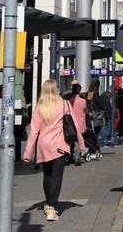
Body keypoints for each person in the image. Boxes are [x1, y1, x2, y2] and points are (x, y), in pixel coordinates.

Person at [23, 79, 85, 220]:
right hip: (59, 144)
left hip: (44, 145)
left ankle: (48, 202)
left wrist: (27, 152)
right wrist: (81, 144)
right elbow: (74, 124)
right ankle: (51, 207)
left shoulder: (40, 106)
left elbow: (34, 131)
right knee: (57, 177)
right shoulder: (64, 104)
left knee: (47, 175)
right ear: (56, 90)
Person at [67, 82, 89, 162]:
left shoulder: (69, 101)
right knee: (77, 141)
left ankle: (69, 155)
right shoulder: (83, 101)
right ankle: (77, 157)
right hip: (80, 123)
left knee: (70, 140)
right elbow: (86, 111)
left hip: (71, 123)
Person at [87, 79, 109, 155]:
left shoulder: (87, 95)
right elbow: (103, 106)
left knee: (90, 134)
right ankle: (94, 150)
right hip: (96, 118)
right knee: (96, 134)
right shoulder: (96, 96)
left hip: (88, 118)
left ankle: (90, 149)